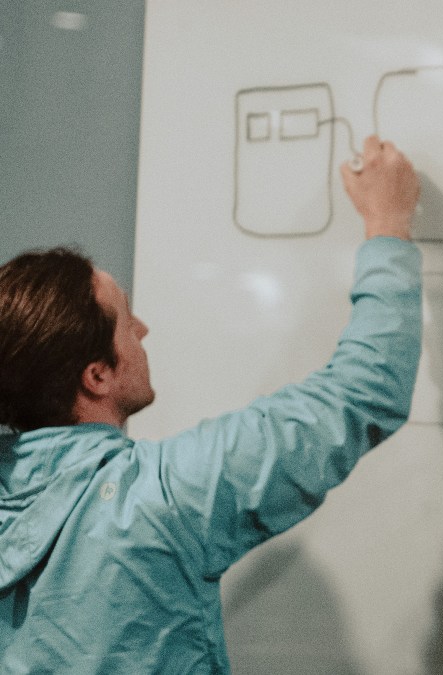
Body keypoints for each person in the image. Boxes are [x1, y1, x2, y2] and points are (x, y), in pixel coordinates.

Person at [0, 136, 421, 672]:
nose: (142, 328)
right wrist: (387, 226)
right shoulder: (162, 499)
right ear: (97, 375)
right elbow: (363, 392)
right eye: (126, 319)